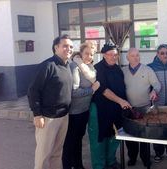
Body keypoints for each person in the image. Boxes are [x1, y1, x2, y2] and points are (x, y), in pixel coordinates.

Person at [27, 34, 73, 169]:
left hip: (64, 116)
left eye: (71, 46)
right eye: (65, 46)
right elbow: (33, 91)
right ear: (56, 47)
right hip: (48, 118)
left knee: (57, 152)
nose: (69, 49)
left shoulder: (67, 66)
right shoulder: (47, 66)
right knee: (43, 153)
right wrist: (37, 114)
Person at [88, 43, 132, 169]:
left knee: (114, 136)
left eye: (116, 55)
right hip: (100, 110)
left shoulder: (118, 69)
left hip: (116, 109)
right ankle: (99, 166)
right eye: (110, 54)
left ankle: (111, 161)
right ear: (103, 55)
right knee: (99, 139)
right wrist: (121, 101)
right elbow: (104, 90)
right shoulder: (97, 69)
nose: (114, 57)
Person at [62, 41, 100, 169]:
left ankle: (78, 165)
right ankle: (67, 166)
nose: (89, 56)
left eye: (91, 54)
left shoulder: (90, 67)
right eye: (86, 53)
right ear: (81, 53)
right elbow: (74, 91)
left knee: (78, 140)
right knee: (70, 142)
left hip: (84, 110)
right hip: (74, 112)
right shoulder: (75, 66)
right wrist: (92, 90)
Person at [122, 48, 161, 167]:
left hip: (145, 108)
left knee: (145, 136)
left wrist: (154, 91)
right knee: (130, 136)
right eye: (133, 56)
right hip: (129, 109)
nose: (136, 57)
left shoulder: (147, 69)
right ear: (127, 58)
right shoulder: (122, 71)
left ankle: (145, 159)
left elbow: (157, 84)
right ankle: (132, 157)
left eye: (137, 55)